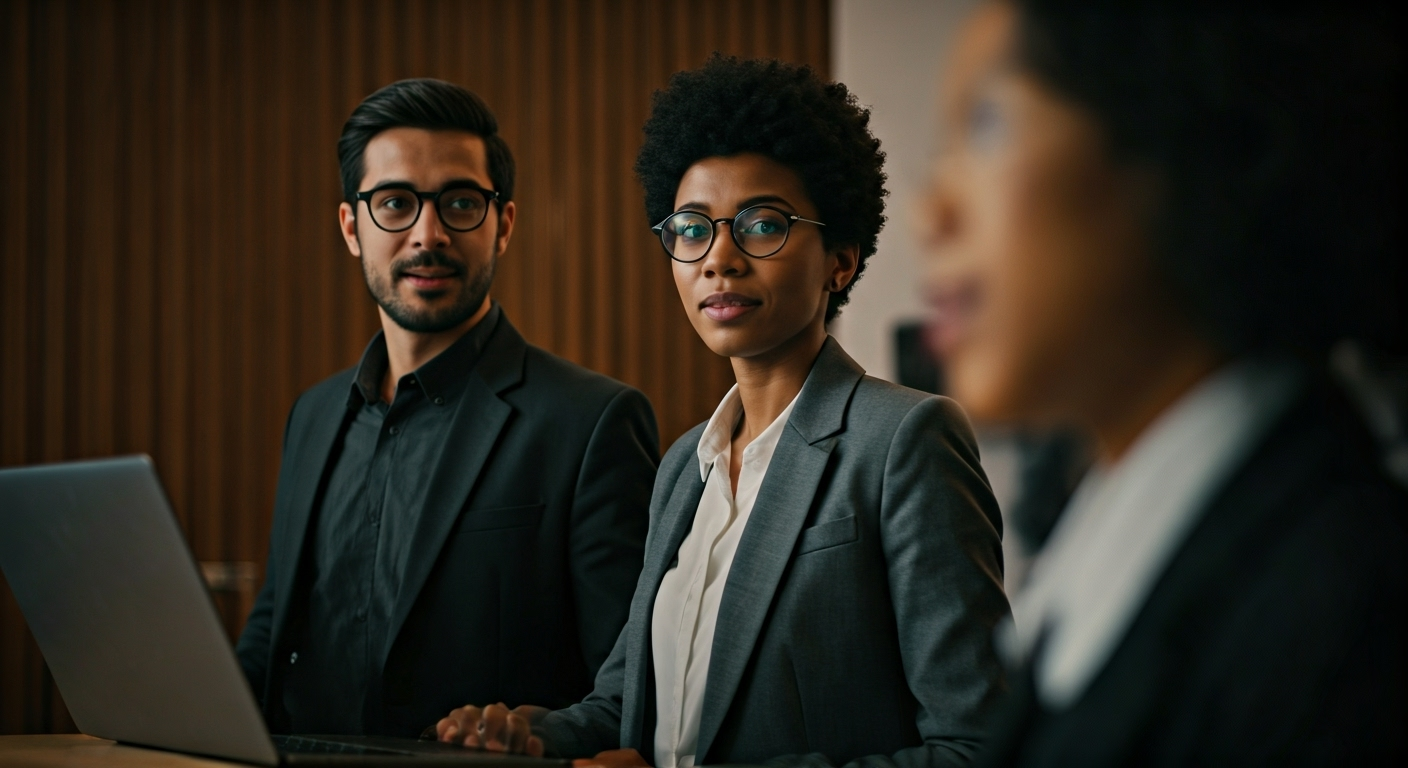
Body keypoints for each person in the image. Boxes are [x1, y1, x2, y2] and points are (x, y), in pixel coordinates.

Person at [435, 55, 1012, 767]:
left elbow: (980, 748)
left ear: (839, 258)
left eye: (761, 224)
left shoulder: (903, 441)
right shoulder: (685, 464)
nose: (719, 259)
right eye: (691, 228)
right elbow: (631, 706)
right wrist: (531, 736)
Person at [921, 2, 1406, 763]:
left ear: (1177, 131)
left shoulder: (1340, 621)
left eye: (986, 125)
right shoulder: (1122, 545)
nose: (930, 213)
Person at [234, 78, 660, 738]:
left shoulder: (590, 423)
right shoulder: (313, 416)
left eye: (461, 202)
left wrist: (537, 734)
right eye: (395, 203)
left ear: (504, 224)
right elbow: (278, 623)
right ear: (352, 227)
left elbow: (635, 684)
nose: (427, 235)